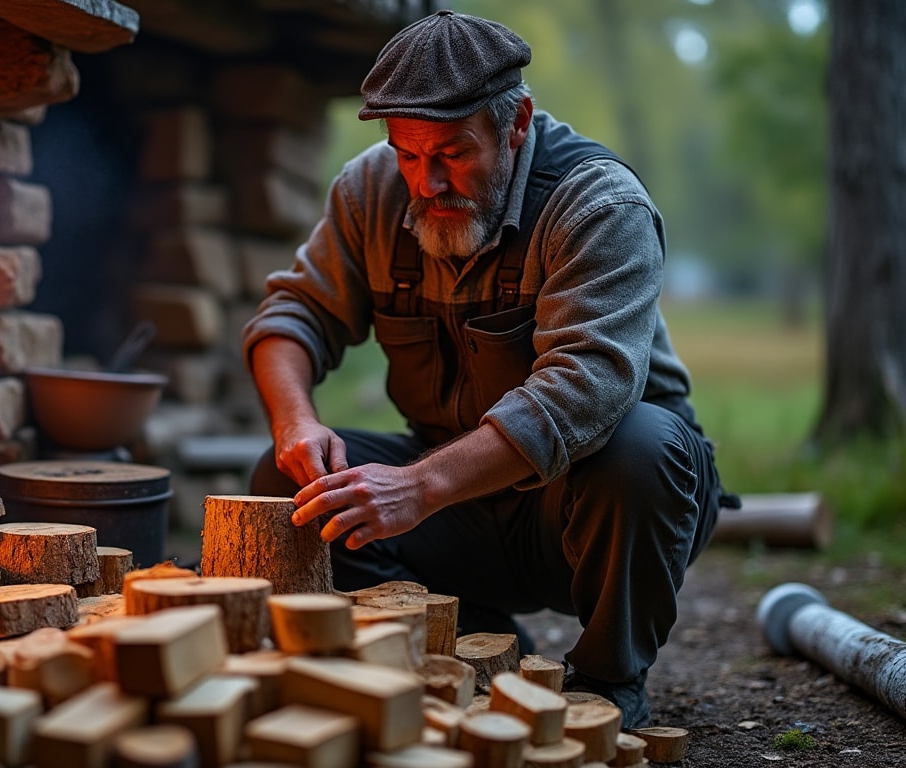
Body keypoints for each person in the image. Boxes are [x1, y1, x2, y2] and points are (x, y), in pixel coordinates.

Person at [242, 10, 729, 728]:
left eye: (452, 153)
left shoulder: (599, 204)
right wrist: (296, 422)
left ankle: (607, 681)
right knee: (289, 486)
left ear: (518, 123)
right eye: (407, 154)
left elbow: (583, 389)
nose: (427, 182)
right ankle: (482, 645)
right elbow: (292, 318)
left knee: (639, 451)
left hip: (594, 511)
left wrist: (417, 486)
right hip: (460, 501)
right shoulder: (369, 191)